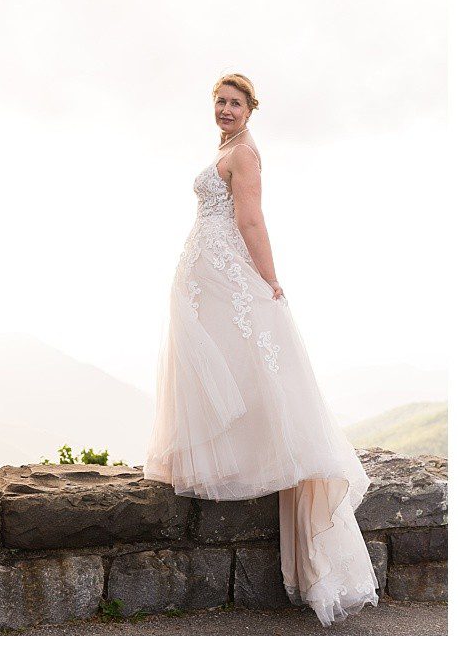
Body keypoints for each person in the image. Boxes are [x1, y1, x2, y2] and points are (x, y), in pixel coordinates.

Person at [145, 73, 378, 625]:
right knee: (214, 369)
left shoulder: (245, 154)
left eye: (235, 103)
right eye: (220, 102)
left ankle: (252, 462)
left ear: (251, 110)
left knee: (249, 370)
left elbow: (251, 219)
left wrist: (270, 283)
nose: (225, 110)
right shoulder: (224, 148)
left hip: (227, 277)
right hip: (204, 277)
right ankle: (212, 456)